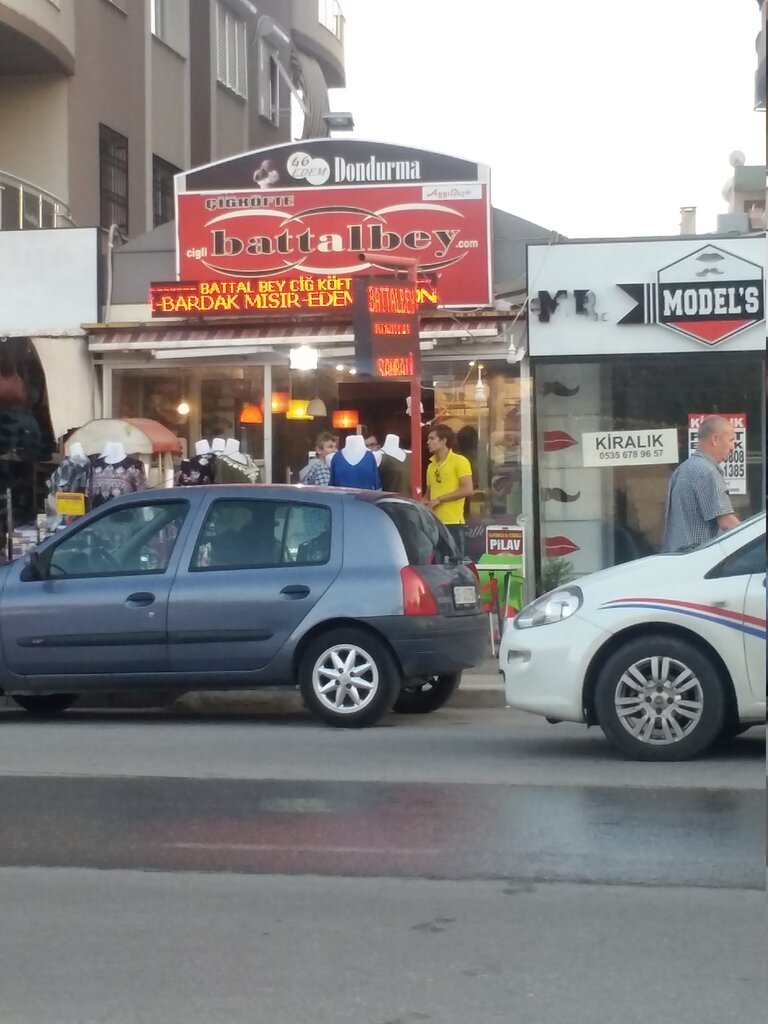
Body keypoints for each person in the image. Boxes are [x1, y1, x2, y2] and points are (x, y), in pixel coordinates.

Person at [663, 415, 740, 552]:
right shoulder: (707, 471)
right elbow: (726, 522)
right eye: (731, 440)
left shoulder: (683, 469)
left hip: (678, 558)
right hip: (700, 560)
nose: (733, 447)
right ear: (715, 439)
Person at [425, 424, 474, 557]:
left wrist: (439, 500)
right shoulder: (430, 466)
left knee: (454, 564)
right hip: (434, 523)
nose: (428, 442)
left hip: (452, 522)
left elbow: (467, 489)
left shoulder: (460, 461)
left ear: (443, 440)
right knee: (436, 563)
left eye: (432, 438)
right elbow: (428, 495)